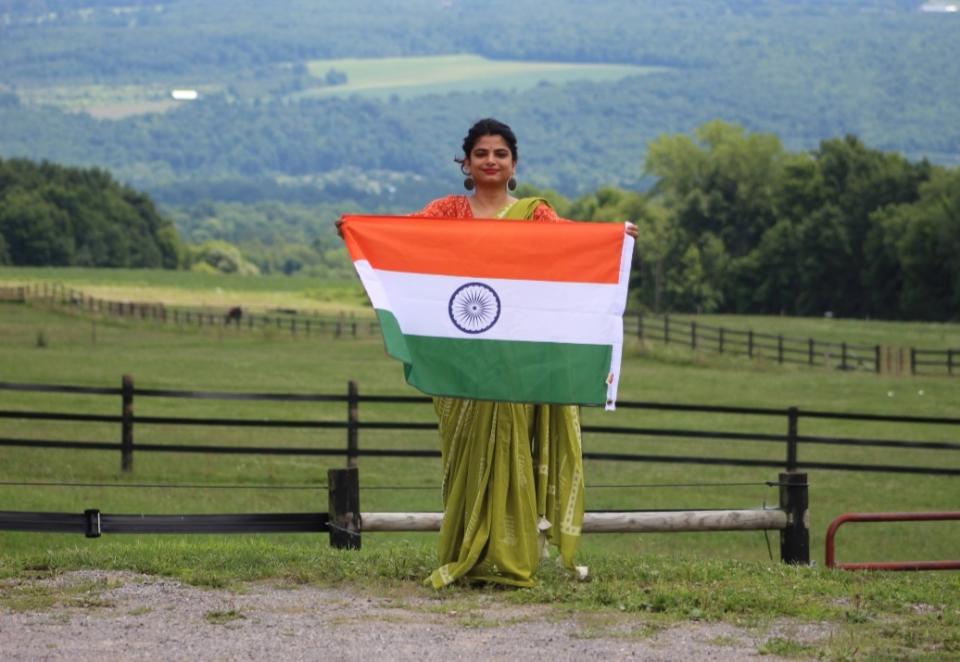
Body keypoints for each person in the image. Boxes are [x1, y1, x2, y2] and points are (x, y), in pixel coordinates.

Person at [340, 118, 636, 588]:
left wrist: (615, 242)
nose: (491, 161)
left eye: (500, 153)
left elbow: (572, 247)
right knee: (465, 459)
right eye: (482, 153)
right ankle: (467, 552)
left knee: (514, 455)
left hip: (514, 366)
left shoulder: (535, 216)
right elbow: (402, 241)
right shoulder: (447, 211)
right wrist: (359, 231)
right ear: (467, 162)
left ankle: (513, 557)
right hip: (461, 365)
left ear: (514, 163)